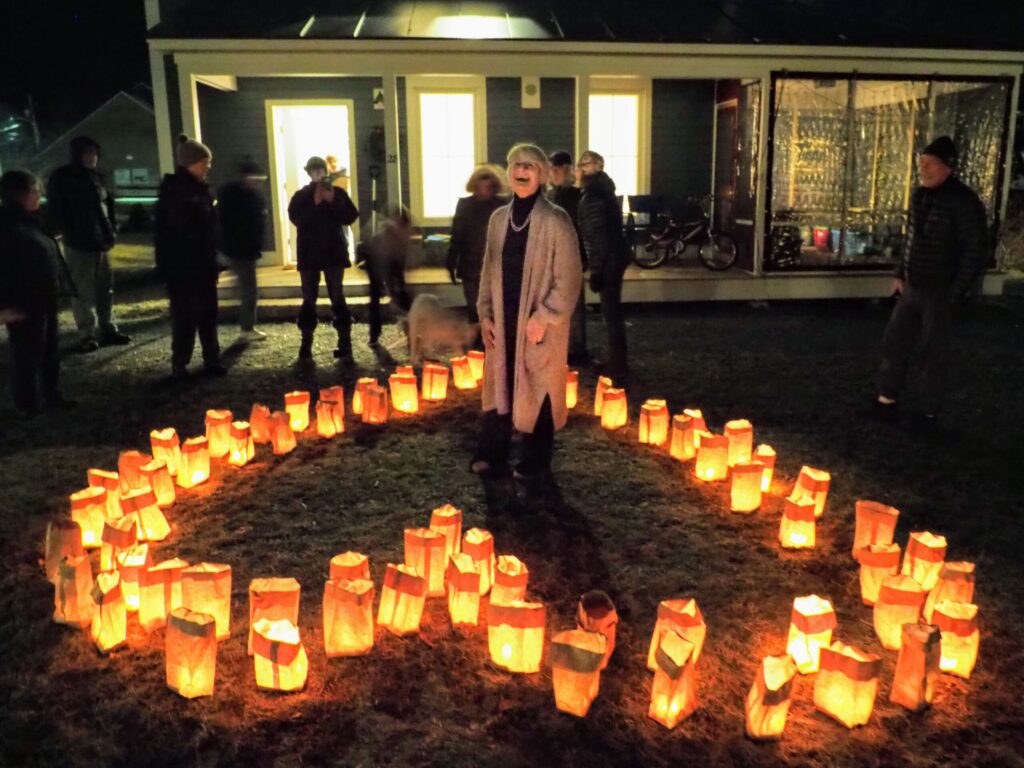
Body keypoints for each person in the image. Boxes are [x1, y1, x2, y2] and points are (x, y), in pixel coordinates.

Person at [472, 143, 582, 484]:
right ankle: (493, 454)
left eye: (529, 165)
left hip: (538, 327)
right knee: (501, 385)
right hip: (503, 320)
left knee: (539, 391)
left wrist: (544, 317)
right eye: (516, 164)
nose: (521, 170)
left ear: (542, 174)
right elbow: (488, 271)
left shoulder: (556, 221)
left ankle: (534, 462)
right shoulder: (498, 220)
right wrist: (485, 314)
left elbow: (569, 278)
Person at [874, 135, 988, 429]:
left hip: (940, 291)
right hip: (913, 286)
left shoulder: (964, 203)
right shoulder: (920, 196)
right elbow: (910, 239)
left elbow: (974, 251)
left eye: (930, 164)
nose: (923, 169)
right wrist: (900, 273)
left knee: (932, 353)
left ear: (948, 166)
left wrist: (956, 292)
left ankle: (927, 412)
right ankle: (887, 400)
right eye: (921, 164)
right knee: (895, 343)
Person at [46, 135, 130, 352]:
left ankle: (107, 328)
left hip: (101, 241)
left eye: (94, 153)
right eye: (87, 153)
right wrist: (71, 233)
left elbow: (108, 206)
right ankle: (87, 333)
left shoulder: (98, 177)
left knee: (105, 288)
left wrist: (112, 230)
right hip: (78, 243)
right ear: (77, 155)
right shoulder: (63, 178)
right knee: (82, 291)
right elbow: (57, 210)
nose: (92, 157)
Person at [0, 170, 74, 414]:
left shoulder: (30, 221)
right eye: (34, 190)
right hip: (23, 302)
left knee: (48, 349)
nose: (39, 195)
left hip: (42, 298)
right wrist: (4, 307)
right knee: (27, 353)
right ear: (19, 194)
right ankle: (28, 404)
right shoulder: (8, 225)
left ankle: (50, 395)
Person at [155, 134, 225, 379]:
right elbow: (173, 233)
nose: (208, 167)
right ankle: (180, 363)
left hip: (204, 263)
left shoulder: (200, 190)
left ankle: (211, 359)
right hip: (183, 267)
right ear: (191, 163)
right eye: (205, 162)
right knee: (185, 315)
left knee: (208, 313)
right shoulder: (175, 193)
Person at [287, 156, 360, 362]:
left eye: (321, 170)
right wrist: (315, 203)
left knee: (337, 295)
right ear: (309, 173)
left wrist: (332, 200)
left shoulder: (338, 193)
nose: (319, 174)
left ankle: (345, 343)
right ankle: (306, 344)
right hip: (309, 253)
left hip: (333, 252)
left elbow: (351, 216)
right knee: (309, 297)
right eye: (314, 171)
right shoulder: (301, 195)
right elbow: (296, 218)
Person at [577, 150, 630, 380]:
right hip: (616, 255)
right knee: (612, 311)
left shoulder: (593, 196)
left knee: (611, 312)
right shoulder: (604, 190)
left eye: (586, 164)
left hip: (609, 259)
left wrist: (596, 271)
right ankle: (616, 359)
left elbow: (598, 237)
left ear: (597, 166)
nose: (581, 168)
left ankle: (617, 364)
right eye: (581, 164)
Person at [446, 165, 507, 328]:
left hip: (494, 266)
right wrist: (451, 261)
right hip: (471, 265)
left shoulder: (501, 206)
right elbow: (457, 235)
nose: (485, 190)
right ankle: (477, 338)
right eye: (482, 185)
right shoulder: (465, 205)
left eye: (489, 186)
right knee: (475, 308)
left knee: (494, 309)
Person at [217, 159, 267, 342]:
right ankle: (247, 328)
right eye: (256, 178)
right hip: (240, 250)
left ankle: (247, 326)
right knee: (249, 288)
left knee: (247, 287)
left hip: (243, 249)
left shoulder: (248, 196)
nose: (258, 183)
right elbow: (233, 224)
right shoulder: (238, 198)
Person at [546, 150, 588, 364]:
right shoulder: (550, 195)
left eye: (556, 169)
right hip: (552, 256)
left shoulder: (575, 196)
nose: (553, 173)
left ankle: (576, 347)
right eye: (551, 169)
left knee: (574, 304)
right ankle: (559, 345)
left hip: (572, 256)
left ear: (566, 169)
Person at [359, 205, 413, 348]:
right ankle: (376, 334)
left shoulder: (395, 232)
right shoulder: (389, 232)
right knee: (380, 300)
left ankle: (377, 334)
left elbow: (400, 260)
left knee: (385, 300)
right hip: (377, 265)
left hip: (386, 265)